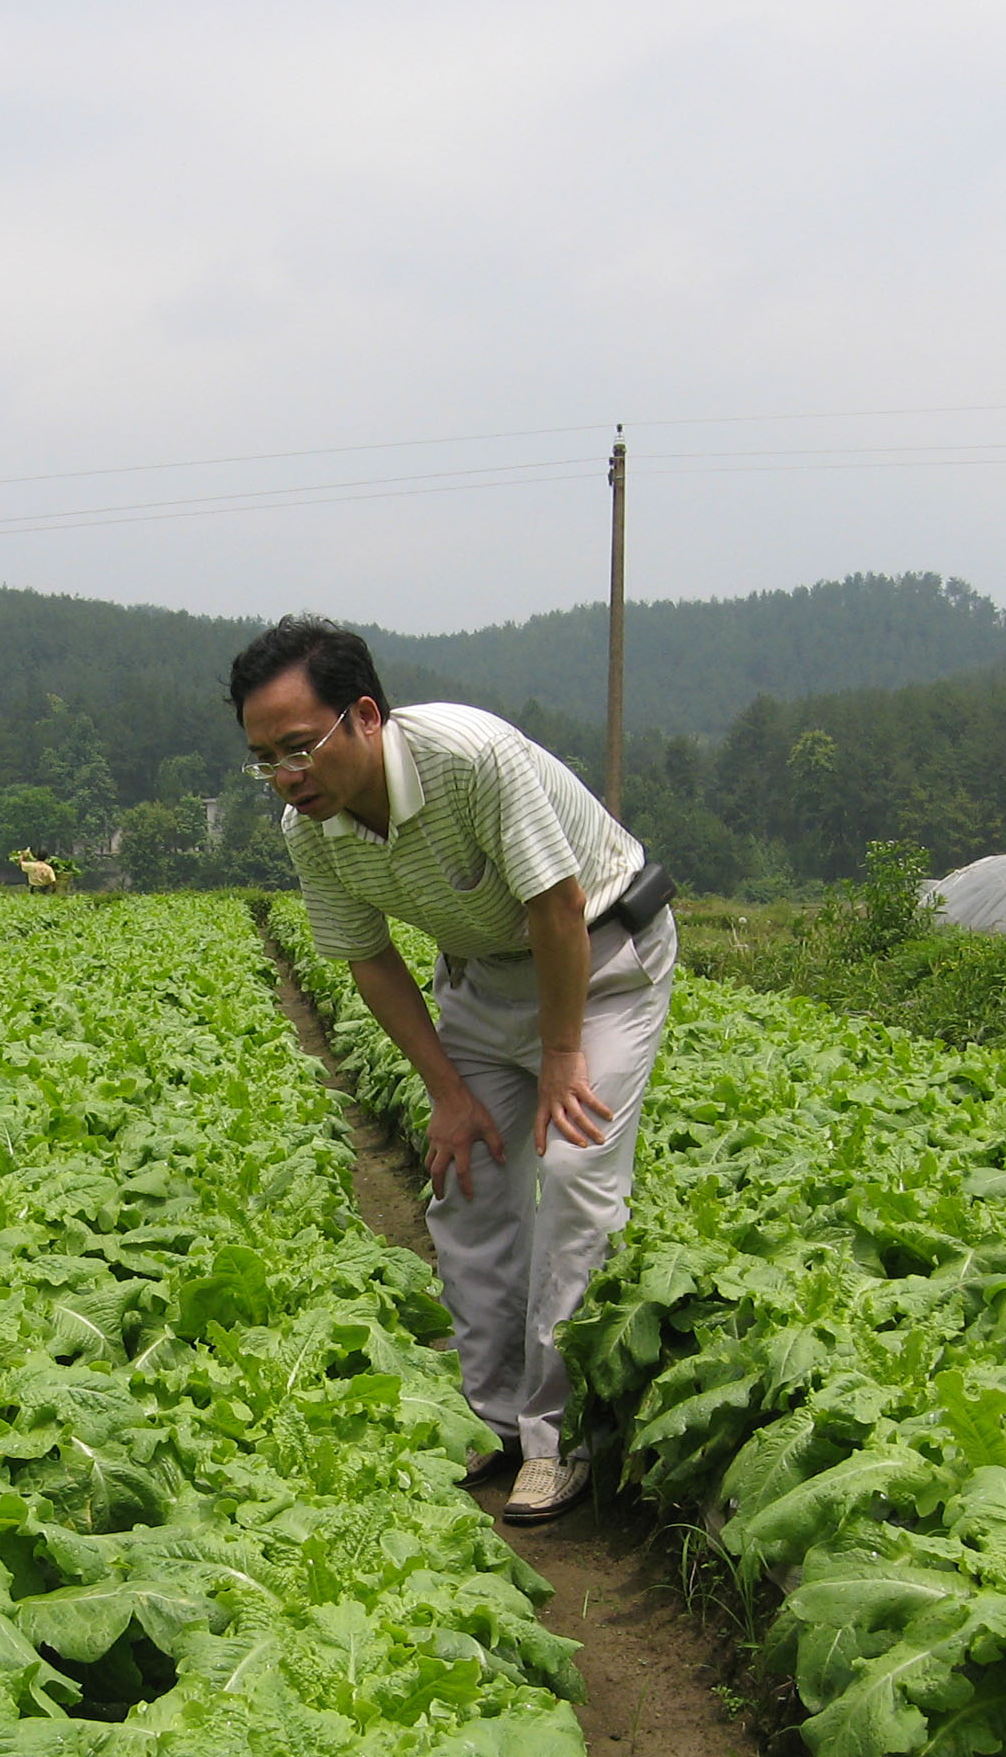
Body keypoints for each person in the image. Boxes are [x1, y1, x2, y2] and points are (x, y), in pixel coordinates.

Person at [234, 615, 676, 1524]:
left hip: (599, 968)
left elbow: (555, 906)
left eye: (299, 747)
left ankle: (559, 1442)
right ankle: (493, 1415)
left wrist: (561, 1059)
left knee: (576, 1176)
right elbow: (367, 957)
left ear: (364, 716)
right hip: (483, 981)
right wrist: (447, 1092)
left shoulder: (471, 758)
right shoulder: (308, 829)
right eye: (266, 758)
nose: (287, 775)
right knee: (466, 1178)